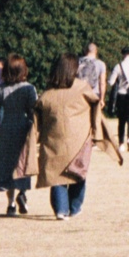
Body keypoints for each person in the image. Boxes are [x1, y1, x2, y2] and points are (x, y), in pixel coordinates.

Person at [34, 55, 103, 220]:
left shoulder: (48, 93)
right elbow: (96, 104)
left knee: (56, 175)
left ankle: (61, 209)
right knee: (78, 173)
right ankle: (74, 207)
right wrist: (96, 131)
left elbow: (38, 116)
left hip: (53, 140)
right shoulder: (82, 88)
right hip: (78, 139)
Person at [0, 55, 39, 215]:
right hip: (23, 130)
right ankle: (23, 194)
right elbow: (34, 112)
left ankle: (11, 204)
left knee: (8, 166)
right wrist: (38, 132)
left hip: (6, 130)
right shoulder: (29, 88)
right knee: (23, 165)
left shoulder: (0, 89)